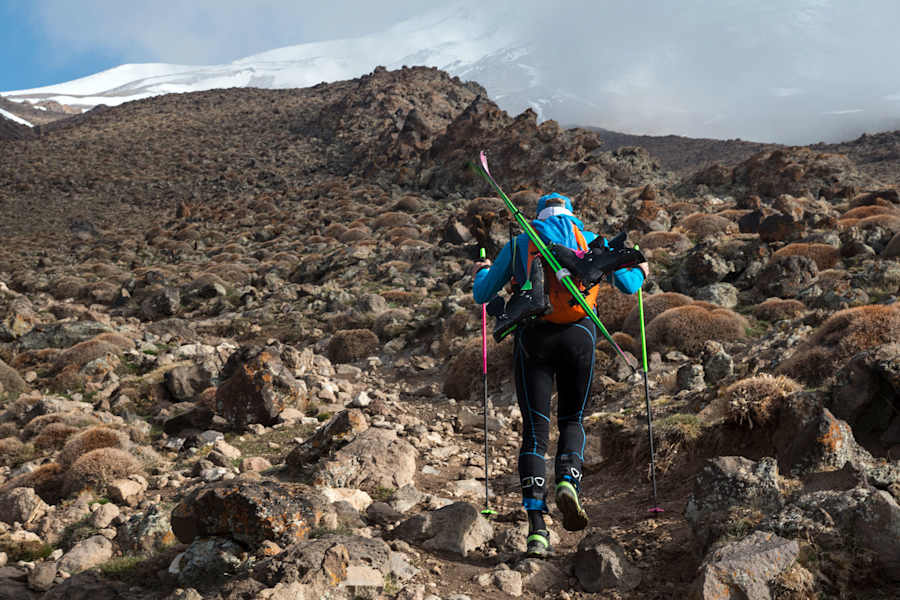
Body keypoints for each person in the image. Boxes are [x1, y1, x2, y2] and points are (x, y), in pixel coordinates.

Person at [472, 192, 647, 557]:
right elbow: (629, 285)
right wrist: (643, 270)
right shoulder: (585, 240)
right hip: (579, 336)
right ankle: (568, 480)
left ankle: (537, 530)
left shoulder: (522, 243)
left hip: (533, 338)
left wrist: (483, 271)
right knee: (572, 419)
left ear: (537, 216)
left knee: (535, 433)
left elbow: (483, 294)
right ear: (571, 215)